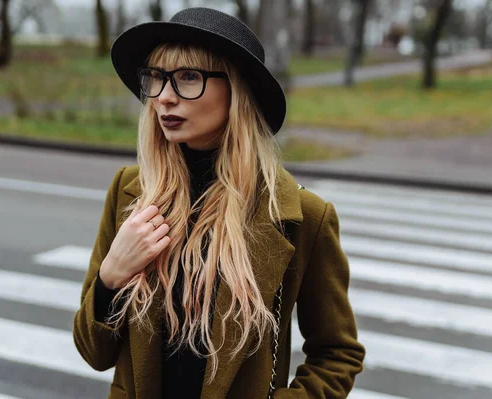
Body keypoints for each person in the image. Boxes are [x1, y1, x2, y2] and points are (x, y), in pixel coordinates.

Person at [73, 7, 365, 399]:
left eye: (188, 77)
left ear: (237, 91)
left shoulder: (301, 218)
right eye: (156, 79)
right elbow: (94, 352)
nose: (164, 98)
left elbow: (337, 353)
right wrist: (111, 276)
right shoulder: (131, 193)